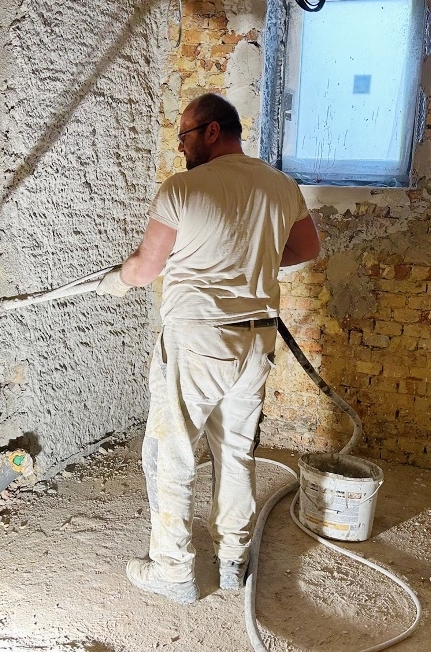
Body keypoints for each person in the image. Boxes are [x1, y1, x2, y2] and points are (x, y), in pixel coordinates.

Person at [97, 93, 320, 604]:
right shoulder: (281, 186)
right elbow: (307, 248)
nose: (181, 148)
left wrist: (117, 280)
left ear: (213, 131)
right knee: (236, 452)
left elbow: (145, 269)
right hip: (256, 341)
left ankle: (173, 569)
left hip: (198, 339)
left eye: (185, 136)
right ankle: (233, 559)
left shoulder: (183, 189)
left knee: (172, 452)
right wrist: (251, 257)